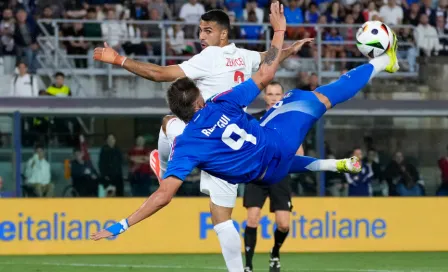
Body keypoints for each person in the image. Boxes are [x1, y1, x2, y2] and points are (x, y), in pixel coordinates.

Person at [91, 4, 399, 272]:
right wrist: (281, 35)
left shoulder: (201, 83)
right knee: (320, 97)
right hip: (266, 139)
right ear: (200, 99)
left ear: (221, 34)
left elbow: (159, 75)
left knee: (217, 210)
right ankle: (383, 63)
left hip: (247, 165)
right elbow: (265, 67)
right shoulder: (229, 89)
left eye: (206, 31)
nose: (201, 36)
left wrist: (121, 225)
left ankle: (165, 162)